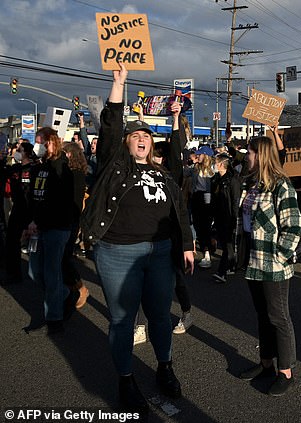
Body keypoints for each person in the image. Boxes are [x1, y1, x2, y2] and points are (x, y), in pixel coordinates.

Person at [80, 63, 194, 412]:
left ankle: (165, 367)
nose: (142, 138)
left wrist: (187, 245)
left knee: (160, 315)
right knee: (122, 319)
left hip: (159, 253)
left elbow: (180, 207)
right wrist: (118, 85)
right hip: (117, 252)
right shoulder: (114, 167)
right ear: (126, 145)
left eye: (146, 135)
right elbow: (111, 129)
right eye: (135, 135)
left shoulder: (164, 174)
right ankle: (126, 378)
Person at [236, 135, 301, 397]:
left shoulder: (280, 185)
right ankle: (265, 364)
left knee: (278, 317)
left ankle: (285, 371)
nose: (246, 156)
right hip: (253, 262)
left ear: (261, 155)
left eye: (250, 152)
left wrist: (280, 256)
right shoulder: (251, 184)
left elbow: (293, 225)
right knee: (262, 317)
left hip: (273, 265)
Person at [24, 127, 77, 335]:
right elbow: (33, 200)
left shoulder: (62, 168)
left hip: (56, 228)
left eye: (42, 142)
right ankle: (64, 293)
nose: (38, 146)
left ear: (52, 142)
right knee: (34, 271)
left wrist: (38, 221)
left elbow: (60, 203)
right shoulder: (39, 168)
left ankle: (54, 319)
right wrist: (30, 222)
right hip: (37, 227)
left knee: (51, 273)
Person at [60, 142, 90, 308]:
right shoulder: (69, 173)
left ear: (70, 154)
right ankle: (72, 287)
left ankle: (80, 288)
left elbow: (76, 202)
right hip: (65, 221)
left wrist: (75, 224)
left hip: (70, 222)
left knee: (64, 258)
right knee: (61, 258)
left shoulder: (76, 174)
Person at [4, 141, 34, 284]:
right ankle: (13, 273)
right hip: (17, 208)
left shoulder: (35, 168)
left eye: (19, 150)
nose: (16, 151)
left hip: (31, 209)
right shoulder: (14, 168)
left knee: (36, 243)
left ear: (27, 153)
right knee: (12, 240)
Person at [211, 153, 241, 283]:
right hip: (218, 215)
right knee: (225, 244)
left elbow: (235, 200)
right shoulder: (216, 179)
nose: (214, 165)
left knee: (227, 244)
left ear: (222, 164)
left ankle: (221, 271)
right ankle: (231, 265)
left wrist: (234, 218)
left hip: (228, 216)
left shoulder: (232, 180)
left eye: (216, 163)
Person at [189, 145, 216, 268]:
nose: (197, 156)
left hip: (206, 198)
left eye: (199, 154)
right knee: (197, 225)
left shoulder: (211, 170)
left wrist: (208, 204)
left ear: (205, 156)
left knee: (205, 226)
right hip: (196, 197)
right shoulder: (195, 168)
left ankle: (207, 254)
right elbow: (185, 173)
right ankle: (208, 247)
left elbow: (209, 189)